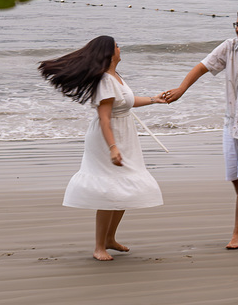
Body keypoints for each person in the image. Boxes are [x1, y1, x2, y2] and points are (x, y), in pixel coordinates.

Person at [161, 7, 238, 249]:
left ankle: (237, 234)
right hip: (232, 123)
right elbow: (202, 67)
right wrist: (181, 90)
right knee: (236, 180)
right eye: (236, 25)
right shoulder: (228, 47)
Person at [39, 35, 166, 261]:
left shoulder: (116, 76)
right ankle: (99, 246)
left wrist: (153, 99)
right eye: (116, 46)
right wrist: (113, 148)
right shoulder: (105, 81)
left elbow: (127, 101)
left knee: (126, 187)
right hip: (109, 137)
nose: (120, 48)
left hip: (125, 135)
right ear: (109, 52)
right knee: (110, 190)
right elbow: (105, 118)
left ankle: (110, 239)